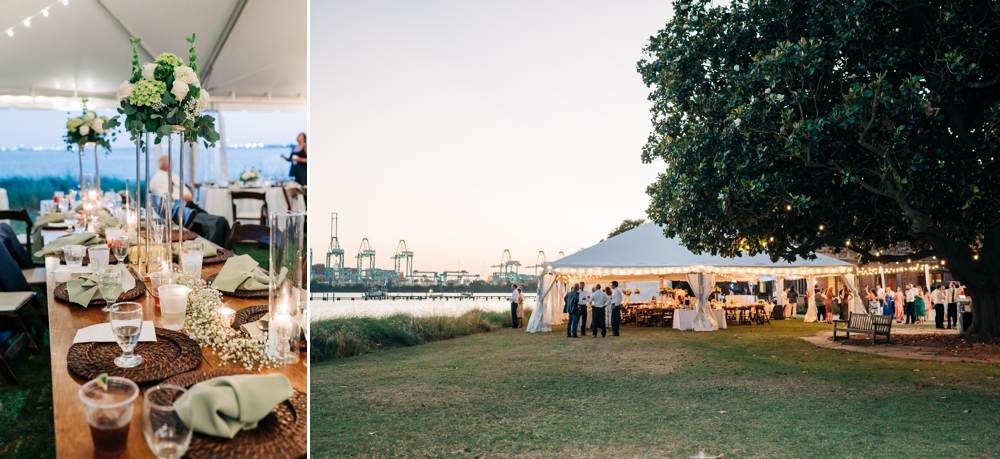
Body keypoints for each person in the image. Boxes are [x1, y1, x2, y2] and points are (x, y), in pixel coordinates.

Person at [149, 155, 230, 246]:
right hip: (183, 210)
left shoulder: (169, 175)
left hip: (187, 207)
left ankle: (219, 247)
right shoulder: (159, 179)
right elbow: (164, 198)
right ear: (165, 165)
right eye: (171, 162)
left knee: (216, 220)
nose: (173, 164)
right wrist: (183, 197)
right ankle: (218, 248)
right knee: (219, 222)